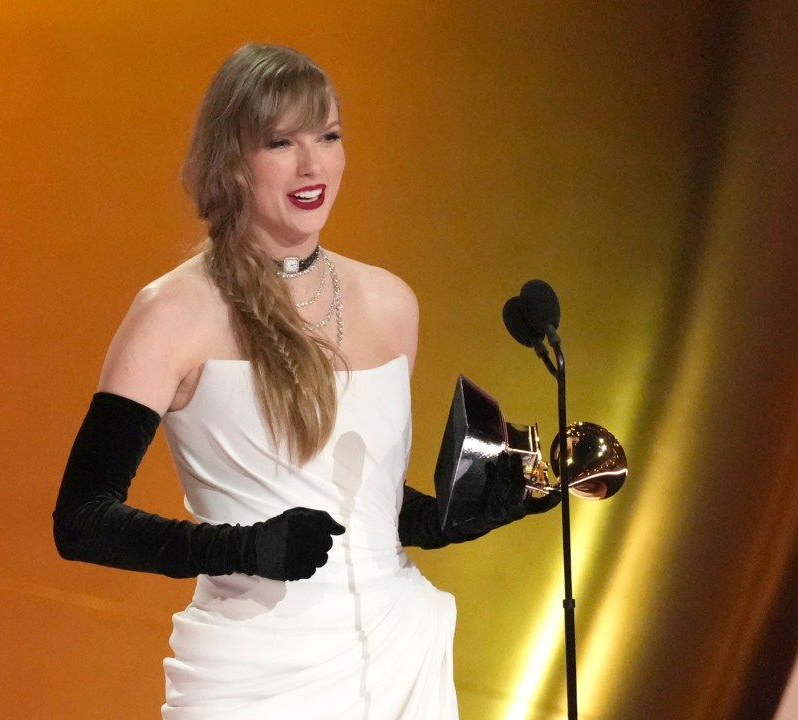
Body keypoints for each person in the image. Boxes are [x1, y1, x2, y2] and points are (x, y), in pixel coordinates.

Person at [53, 43, 547, 720]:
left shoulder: (389, 303)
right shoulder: (173, 312)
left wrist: (459, 515)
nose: (312, 164)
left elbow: (367, 511)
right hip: (256, 678)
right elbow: (83, 519)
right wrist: (242, 548)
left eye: (329, 136)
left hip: (395, 659)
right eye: (281, 142)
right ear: (231, 159)